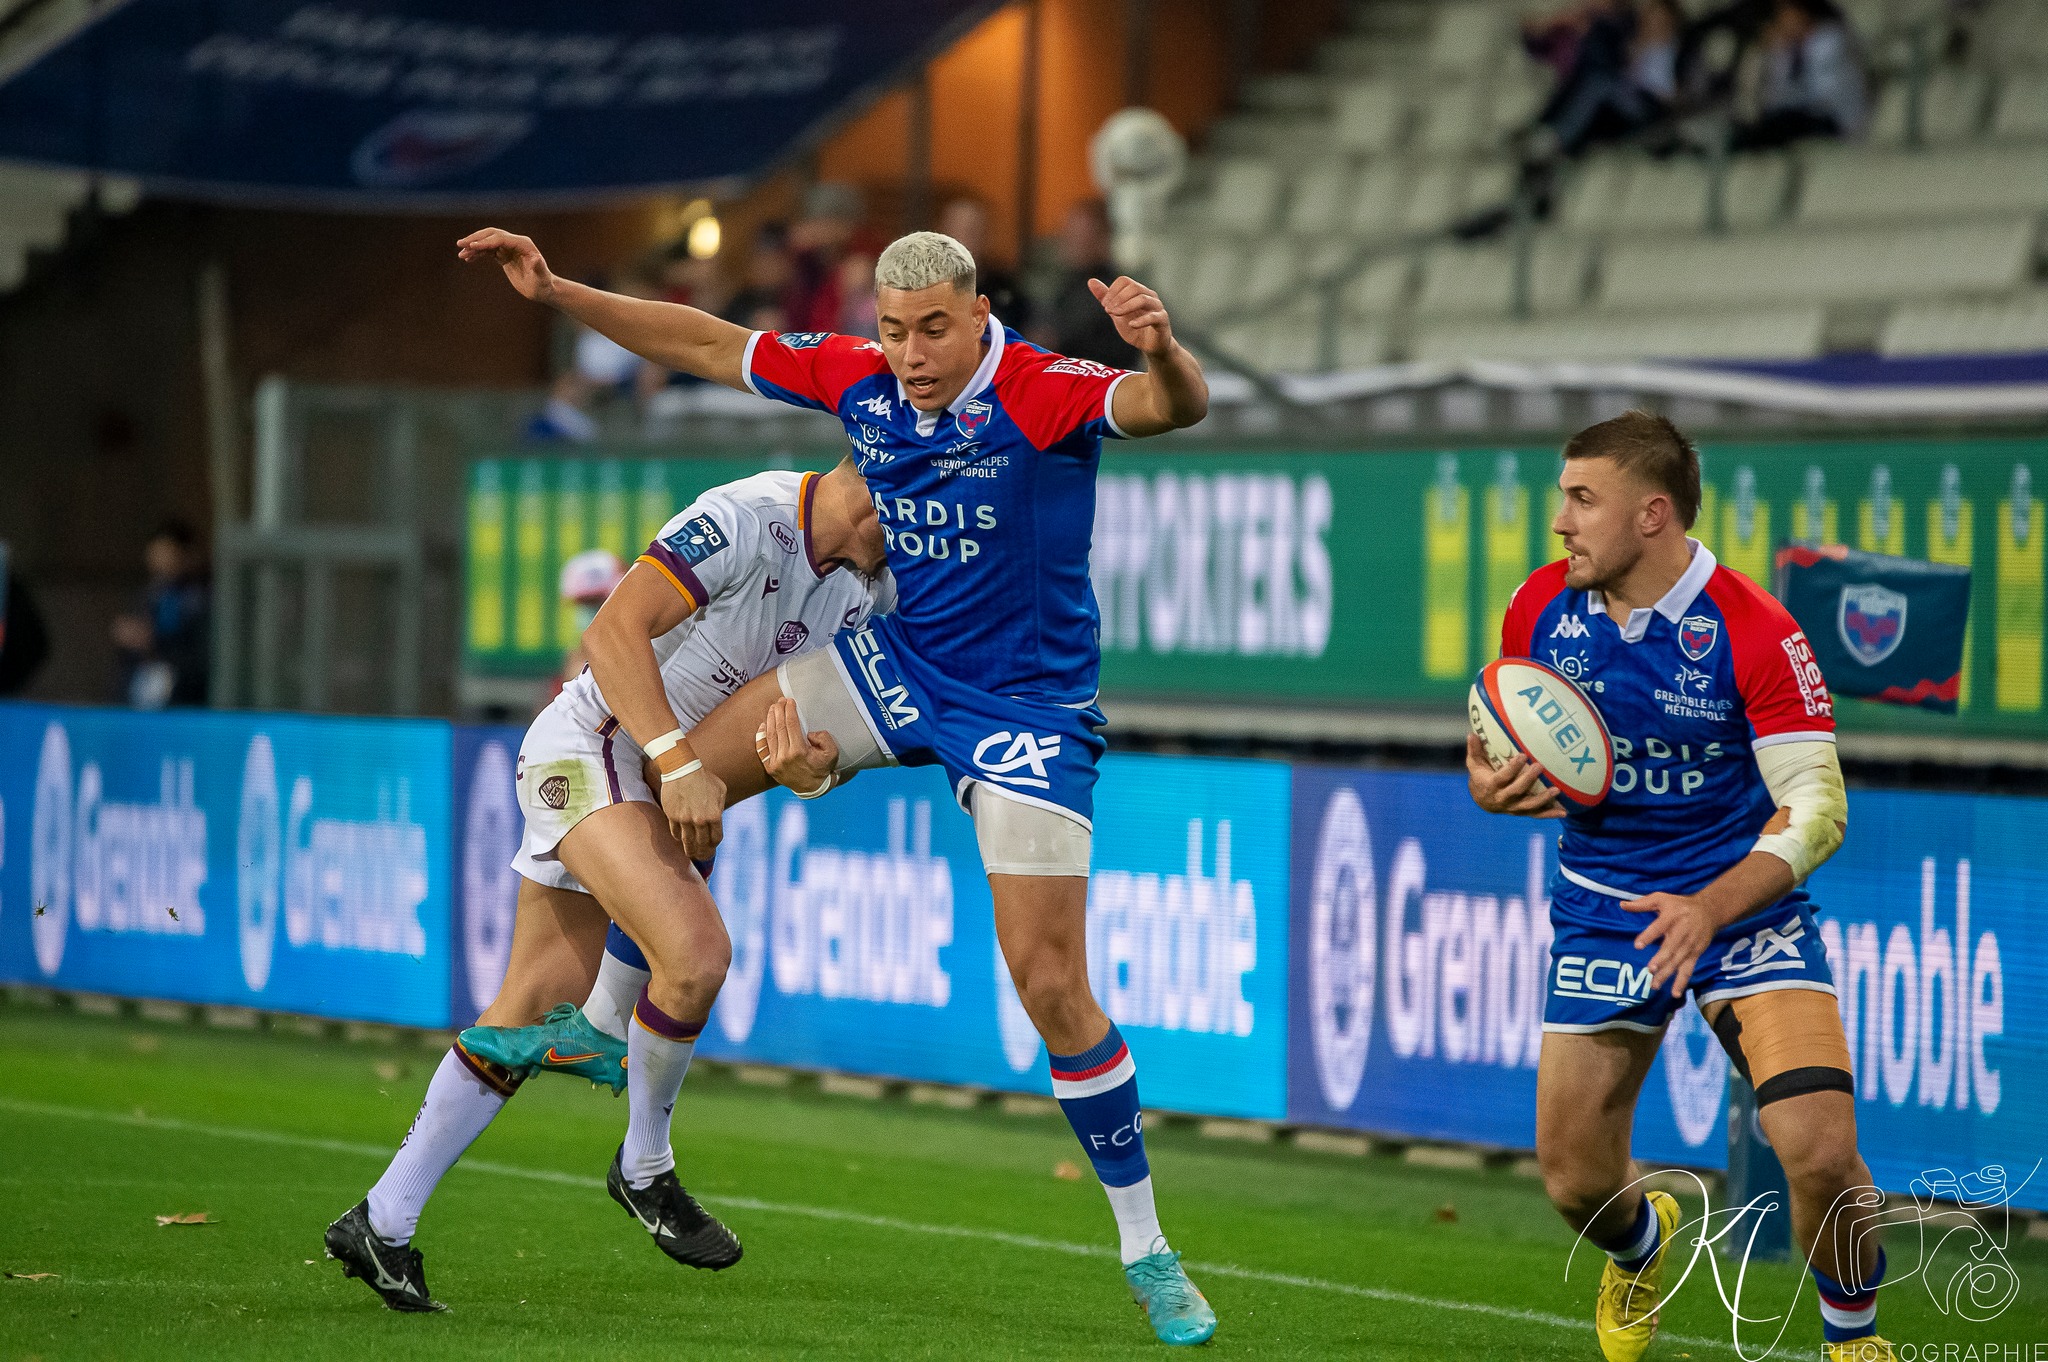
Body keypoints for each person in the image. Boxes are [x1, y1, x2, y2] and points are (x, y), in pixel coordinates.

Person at [454, 222, 1216, 1346]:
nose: (910, 354)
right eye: (894, 331)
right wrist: (562, 290)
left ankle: (1147, 1249)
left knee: (1049, 982)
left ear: (980, 315)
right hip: (893, 666)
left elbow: (1167, 409)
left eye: (933, 330)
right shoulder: (860, 377)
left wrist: (1162, 352)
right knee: (661, 772)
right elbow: (704, 343)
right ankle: (606, 1027)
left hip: (1024, 711)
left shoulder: (1045, 389)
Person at [324, 459, 892, 1311]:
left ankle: (382, 1221)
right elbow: (612, 633)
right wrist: (679, 762)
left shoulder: (880, 589)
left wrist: (814, 771)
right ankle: (644, 1165)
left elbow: (837, 741)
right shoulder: (749, 514)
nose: (944, 516)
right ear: (881, 464)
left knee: (526, 1009)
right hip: (595, 744)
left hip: (655, 777)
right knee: (696, 958)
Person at [1468, 411, 1888, 1362]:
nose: (1561, 521)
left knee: (1821, 1155)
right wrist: (1487, 783)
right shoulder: (1539, 606)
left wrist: (1709, 909)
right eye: (1563, 498)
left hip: (1741, 913)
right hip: (1605, 909)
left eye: (1583, 500)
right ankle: (1641, 1244)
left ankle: (1854, 1341)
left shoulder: (1757, 631)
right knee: (1576, 1183)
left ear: (1652, 514)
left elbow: (1818, 811)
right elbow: (1495, 736)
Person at [1730, 0, 1868, 150]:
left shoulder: (1829, 41)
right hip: (1802, 115)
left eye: (1785, 14)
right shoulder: (1788, 49)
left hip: (1834, 119)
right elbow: (1774, 98)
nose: (1781, 21)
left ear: (1802, 13)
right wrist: (1772, 52)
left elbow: (1823, 97)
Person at [110, 518, 210, 708]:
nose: (159, 563)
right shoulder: (151, 594)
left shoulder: (203, 597)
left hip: (186, 697)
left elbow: (201, 657)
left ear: (187, 555)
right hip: (140, 690)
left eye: (167, 554)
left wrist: (154, 641)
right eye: (155, 555)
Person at [1036, 199, 1141, 370]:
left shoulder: (1115, 289)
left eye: (1079, 236)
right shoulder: (1065, 281)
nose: (1067, 242)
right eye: (1067, 232)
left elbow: (1055, 339)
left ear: (1103, 239)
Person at [937, 196, 1029, 330]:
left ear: (985, 235)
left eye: (972, 231)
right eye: (957, 229)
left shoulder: (1007, 290)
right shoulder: (921, 288)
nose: (963, 239)